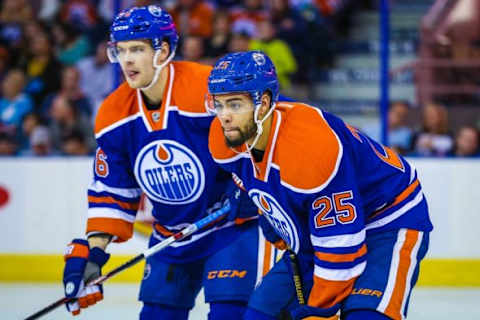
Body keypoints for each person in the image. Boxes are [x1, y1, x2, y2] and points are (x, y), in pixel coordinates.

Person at [61, 6, 276, 320]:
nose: (127, 60)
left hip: (231, 229)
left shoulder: (208, 89)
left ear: (162, 50)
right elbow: (112, 191)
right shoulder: (113, 115)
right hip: (170, 237)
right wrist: (94, 254)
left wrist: (249, 186)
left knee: (229, 313)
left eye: (136, 49)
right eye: (120, 51)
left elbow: (262, 136)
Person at [207, 51, 433, 320]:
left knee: (365, 316)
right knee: (259, 315)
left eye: (234, 104)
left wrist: (320, 311)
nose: (224, 116)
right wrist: (276, 226)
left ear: (264, 104)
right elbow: (254, 187)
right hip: (323, 227)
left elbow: (341, 247)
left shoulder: (310, 149)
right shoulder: (224, 139)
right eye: (219, 105)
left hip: (387, 219)